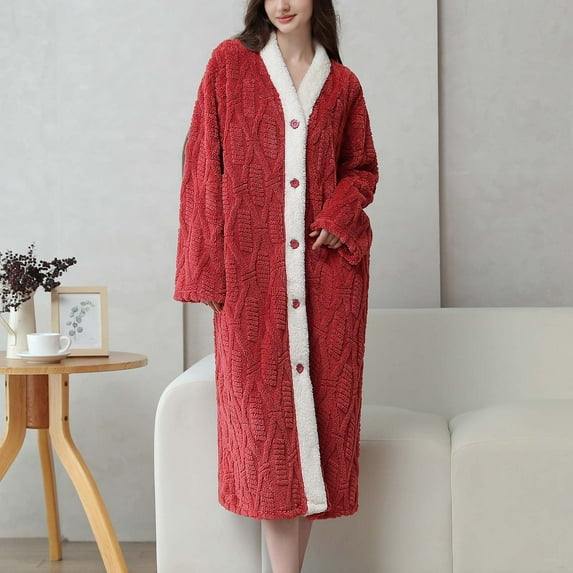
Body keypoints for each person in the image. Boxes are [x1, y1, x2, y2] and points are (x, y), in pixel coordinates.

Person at [174, 0, 378, 571]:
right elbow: (202, 165)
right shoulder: (229, 64)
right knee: (269, 447)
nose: (283, 4)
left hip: (326, 287)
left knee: (313, 443)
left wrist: (339, 214)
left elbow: (362, 168)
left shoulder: (342, 85)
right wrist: (207, 272)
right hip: (251, 287)